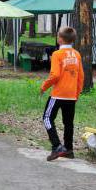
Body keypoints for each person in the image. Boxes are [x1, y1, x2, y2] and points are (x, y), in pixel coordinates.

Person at [40, 26, 84, 161]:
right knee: (68, 122)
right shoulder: (76, 54)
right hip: (71, 94)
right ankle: (69, 150)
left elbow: (55, 75)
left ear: (60, 39)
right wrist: (77, 93)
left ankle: (57, 146)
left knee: (47, 118)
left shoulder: (57, 54)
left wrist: (44, 87)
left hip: (58, 94)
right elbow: (81, 76)